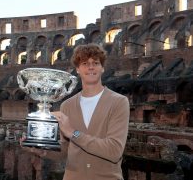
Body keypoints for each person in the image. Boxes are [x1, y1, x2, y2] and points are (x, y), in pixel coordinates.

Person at [21, 43, 130, 180]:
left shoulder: (119, 102)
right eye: (85, 63)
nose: (90, 67)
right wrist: (41, 150)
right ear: (77, 69)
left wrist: (73, 133)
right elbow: (66, 151)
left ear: (102, 68)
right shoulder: (67, 105)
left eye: (95, 63)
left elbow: (114, 151)